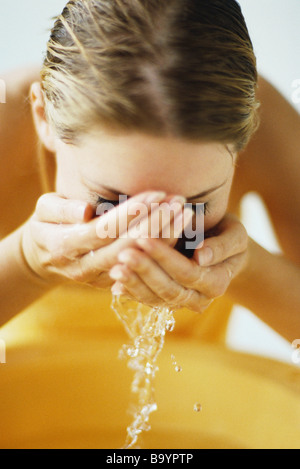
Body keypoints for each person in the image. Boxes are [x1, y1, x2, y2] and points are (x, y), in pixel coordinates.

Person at [0, 0, 300, 449]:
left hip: (205, 396)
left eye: (192, 210)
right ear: (43, 117)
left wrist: (245, 267)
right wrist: (26, 261)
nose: (148, 235)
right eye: (111, 204)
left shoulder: (268, 126)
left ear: (246, 139)